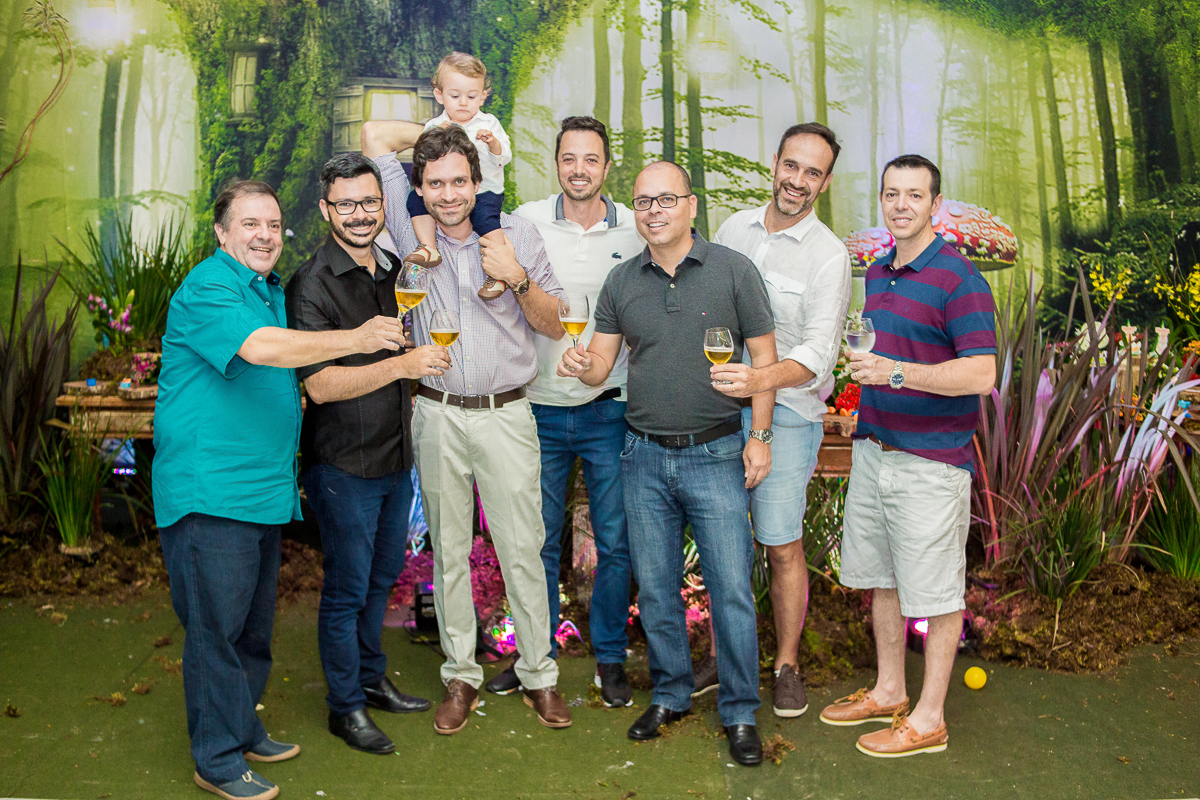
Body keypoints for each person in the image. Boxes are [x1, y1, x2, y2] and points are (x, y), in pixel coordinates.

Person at [154, 180, 404, 800]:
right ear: (221, 232)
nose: (265, 236)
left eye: (272, 225)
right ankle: (216, 760)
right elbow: (261, 348)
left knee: (251, 630)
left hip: (260, 494)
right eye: (250, 224)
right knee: (216, 632)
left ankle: (241, 729)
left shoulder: (264, 290)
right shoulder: (210, 287)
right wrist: (358, 338)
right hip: (210, 493)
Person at [558, 161, 778, 767]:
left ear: (691, 205)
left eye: (666, 199)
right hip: (643, 457)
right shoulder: (621, 281)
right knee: (656, 590)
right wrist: (581, 366)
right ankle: (672, 694)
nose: (654, 211)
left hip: (717, 452)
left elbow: (765, 363)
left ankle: (740, 711)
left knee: (730, 590)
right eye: (643, 202)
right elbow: (600, 368)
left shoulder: (734, 271)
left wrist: (760, 436)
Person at [362, 122, 573, 736]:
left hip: (507, 414)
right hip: (435, 412)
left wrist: (517, 276)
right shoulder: (408, 230)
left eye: (459, 181)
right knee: (449, 551)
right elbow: (375, 138)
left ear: (478, 182)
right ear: (419, 189)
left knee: (523, 550)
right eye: (435, 184)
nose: (449, 194)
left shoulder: (516, 234)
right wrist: (443, 127)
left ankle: (539, 675)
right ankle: (460, 675)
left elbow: (555, 323)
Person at [819, 154, 996, 758]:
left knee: (938, 594)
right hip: (875, 451)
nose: (901, 205)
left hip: (931, 464)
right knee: (884, 581)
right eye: (891, 193)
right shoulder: (878, 272)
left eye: (914, 195)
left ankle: (929, 720)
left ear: (935, 205)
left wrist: (896, 372)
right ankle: (890, 690)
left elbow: (980, 374)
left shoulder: (960, 280)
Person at [285, 153, 452, 755]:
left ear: (384, 205)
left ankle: (371, 678)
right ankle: (344, 706)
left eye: (370, 202)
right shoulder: (310, 283)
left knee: (381, 579)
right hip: (342, 467)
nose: (360, 214)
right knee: (347, 589)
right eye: (346, 204)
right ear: (325, 209)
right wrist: (404, 366)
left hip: (394, 458)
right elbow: (321, 385)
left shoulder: (393, 270)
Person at [481, 116, 643, 706]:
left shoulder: (636, 227)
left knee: (615, 543)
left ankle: (610, 659)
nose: (579, 169)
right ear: (556, 164)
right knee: (537, 541)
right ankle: (534, 655)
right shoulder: (524, 222)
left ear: (607, 166)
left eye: (591, 159)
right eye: (569, 158)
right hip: (538, 409)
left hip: (609, 408)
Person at [702, 122, 852, 718]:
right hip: (717, 411)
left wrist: (759, 389)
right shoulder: (733, 230)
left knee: (780, 544)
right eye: (792, 166)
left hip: (787, 417)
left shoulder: (829, 256)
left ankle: (787, 664)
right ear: (774, 163)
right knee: (720, 542)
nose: (798, 180)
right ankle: (723, 655)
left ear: (825, 183)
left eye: (813, 172)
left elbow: (817, 357)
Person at [403, 51, 513, 300]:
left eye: (471, 96)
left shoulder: (489, 123)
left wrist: (492, 143)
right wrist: (434, 135)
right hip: (449, 191)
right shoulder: (433, 126)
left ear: (482, 96)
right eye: (455, 96)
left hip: (486, 191)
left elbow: (503, 158)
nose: (463, 102)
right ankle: (429, 247)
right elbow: (423, 162)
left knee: (485, 219)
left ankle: (500, 271)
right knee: (414, 200)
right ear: (439, 95)